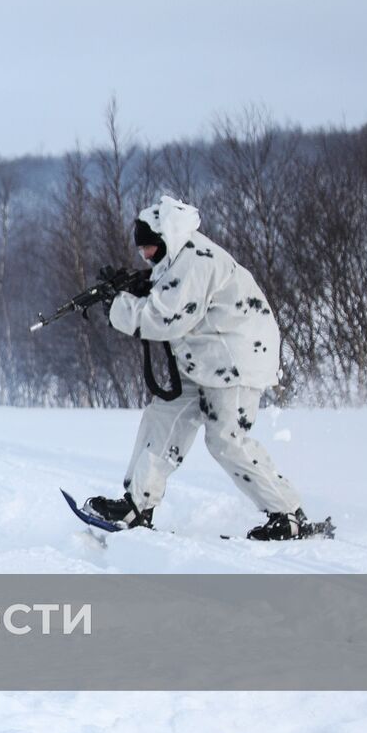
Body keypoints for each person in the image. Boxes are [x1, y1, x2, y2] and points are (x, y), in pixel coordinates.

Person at [82, 195, 312, 540]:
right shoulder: (179, 256)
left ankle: (288, 515)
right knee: (163, 418)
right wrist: (140, 285)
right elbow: (169, 293)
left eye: (148, 247)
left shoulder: (197, 260)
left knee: (226, 439)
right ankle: (136, 506)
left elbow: (165, 318)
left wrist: (119, 306)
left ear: (165, 238)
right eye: (142, 250)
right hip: (203, 359)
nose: (144, 255)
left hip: (235, 361)